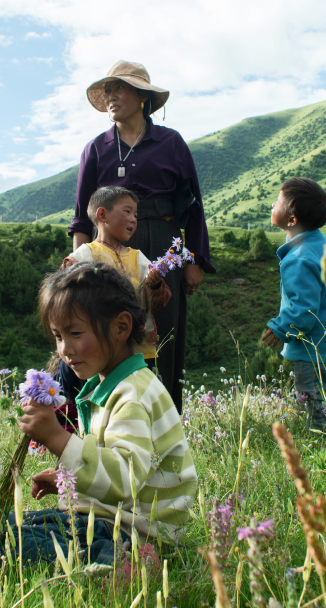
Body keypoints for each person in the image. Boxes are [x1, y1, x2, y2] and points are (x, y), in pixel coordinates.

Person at [0, 263, 198, 565]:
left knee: (13, 544)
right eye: (57, 336)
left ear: (121, 327)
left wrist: (56, 437)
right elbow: (113, 465)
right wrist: (71, 481)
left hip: (137, 528)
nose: (65, 349)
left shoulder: (133, 395)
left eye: (75, 333)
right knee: (11, 527)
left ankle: (123, 563)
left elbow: (123, 481)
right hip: (110, 516)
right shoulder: (110, 384)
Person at [70, 60, 213, 413]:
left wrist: (193, 261)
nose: (111, 97)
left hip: (164, 240)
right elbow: (80, 215)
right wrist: (76, 271)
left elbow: (194, 203)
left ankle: (169, 419)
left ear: (142, 96)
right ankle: (115, 417)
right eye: (107, 91)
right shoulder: (96, 148)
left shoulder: (171, 142)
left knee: (163, 330)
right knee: (111, 329)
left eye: (119, 88)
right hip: (108, 248)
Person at [260, 178, 326, 431]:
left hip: (313, 347)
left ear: (291, 220)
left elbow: (304, 308)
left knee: (311, 399)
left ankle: (320, 443)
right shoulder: (324, 245)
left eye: (278, 202)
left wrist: (281, 327)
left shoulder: (298, 260)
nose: (273, 204)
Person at [63, 186, 172, 367]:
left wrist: (154, 285)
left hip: (138, 350)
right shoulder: (83, 256)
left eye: (135, 215)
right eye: (127, 212)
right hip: (100, 349)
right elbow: (67, 301)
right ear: (102, 215)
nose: (133, 220)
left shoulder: (139, 258)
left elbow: (160, 301)